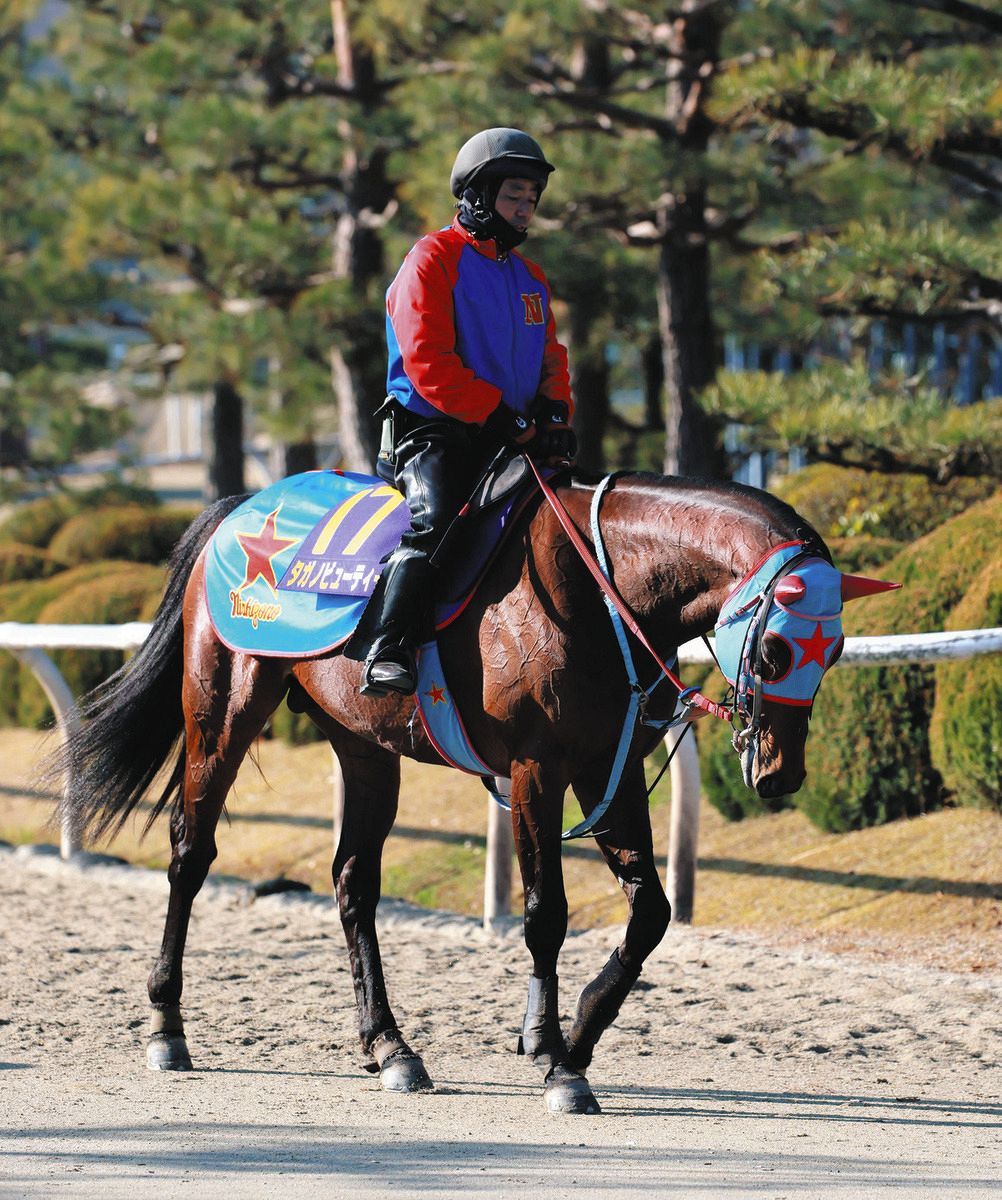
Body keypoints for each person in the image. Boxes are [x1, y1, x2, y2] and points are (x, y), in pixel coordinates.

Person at [346, 127, 577, 697]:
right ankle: (388, 649)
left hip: (512, 436)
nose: (525, 211)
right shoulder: (430, 259)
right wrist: (501, 416)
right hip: (434, 434)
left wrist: (554, 414)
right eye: (513, 197)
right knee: (436, 523)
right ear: (477, 196)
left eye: (531, 200)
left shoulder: (531, 278)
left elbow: (552, 356)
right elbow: (428, 363)